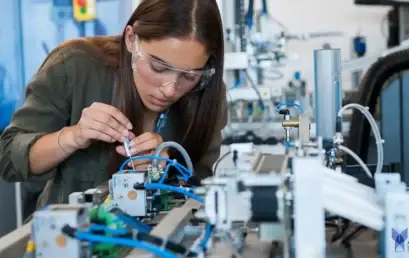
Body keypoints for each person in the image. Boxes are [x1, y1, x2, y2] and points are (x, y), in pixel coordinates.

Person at [0, 0, 227, 209]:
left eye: (189, 76)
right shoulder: (75, 66)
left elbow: (201, 190)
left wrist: (166, 173)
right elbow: (8, 158)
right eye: (158, 68)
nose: (170, 89)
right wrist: (72, 137)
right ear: (131, 39)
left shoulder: (207, 95)